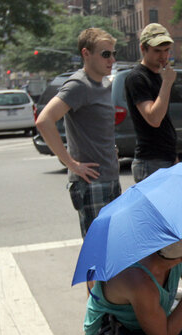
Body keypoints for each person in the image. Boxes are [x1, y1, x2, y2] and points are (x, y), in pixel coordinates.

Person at [36, 28, 120, 238]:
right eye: (105, 54)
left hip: (110, 177)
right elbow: (44, 120)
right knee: (98, 252)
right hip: (92, 184)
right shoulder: (78, 85)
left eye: (113, 53)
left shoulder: (104, 84)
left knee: (113, 250)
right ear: (86, 54)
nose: (111, 59)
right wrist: (71, 163)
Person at [124, 23, 178, 183]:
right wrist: (167, 83)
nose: (163, 56)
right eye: (157, 51)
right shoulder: (137, 77)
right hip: (150, 161)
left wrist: (173, 155)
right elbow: (154, 119)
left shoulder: (159, 75)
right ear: (143, 49)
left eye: (166, 50)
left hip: (165, 157)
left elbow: (165, 122)